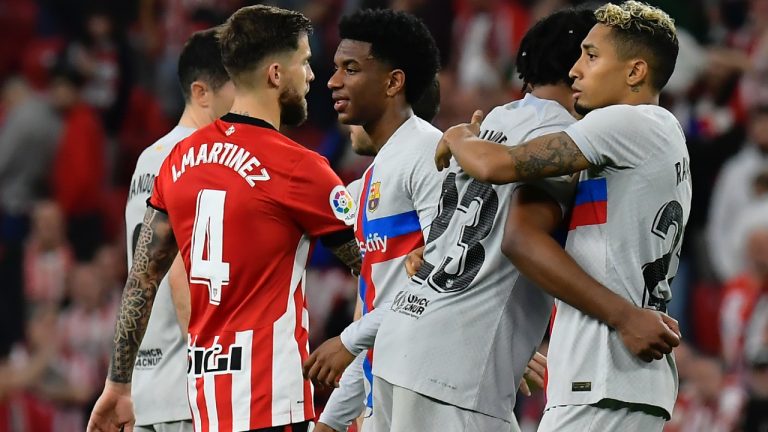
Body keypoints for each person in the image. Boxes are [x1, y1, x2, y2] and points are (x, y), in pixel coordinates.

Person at [87, 5, 362, 432]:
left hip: (204, 405)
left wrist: (118, 384)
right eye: (305, 63)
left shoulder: (176, 161)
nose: (311, 77)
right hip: (272, 406)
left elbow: (142, 280)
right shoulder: (300, 168)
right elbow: (374, 268)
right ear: (275, 74)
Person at [435, 1, 688, 430]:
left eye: (591, 56)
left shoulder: (626, 124)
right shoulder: (651, 136)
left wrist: (458, 136)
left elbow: (496, 164)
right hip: (614, 378)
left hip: (606, 372)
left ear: (635, 72)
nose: (574, 70)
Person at [308, 10, 443, 431]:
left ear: (393, 82)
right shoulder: (370, 181)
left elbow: (444, 281)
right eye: (335, 69)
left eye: (350, 69)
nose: (333, 81)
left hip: (432, 393)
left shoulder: (428, 154)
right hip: (384, 393)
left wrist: (348, 340)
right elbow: (377, 310)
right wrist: (331, 422)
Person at [124, 27, 234, 432]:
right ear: (202, 92)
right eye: (237, 87)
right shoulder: (199, 159)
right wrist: (217, 381)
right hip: (189, 391)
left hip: (147, 388)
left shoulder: (148, 159)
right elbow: (180, 272)